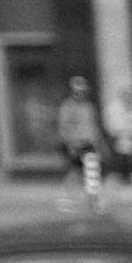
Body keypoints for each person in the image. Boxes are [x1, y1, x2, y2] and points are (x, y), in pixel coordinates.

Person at [55, 75, 102, 208]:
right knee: (75, 172)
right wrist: (70, 144)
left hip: (89, 143)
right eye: (78, 91)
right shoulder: (68, 106)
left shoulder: (88, 106)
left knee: (92, 172)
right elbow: (64, 126)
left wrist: (97, 142)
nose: (81, 93)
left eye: (83, 91)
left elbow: (93, 125)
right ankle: (66, 198)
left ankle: (93, 200)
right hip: (76, 144)